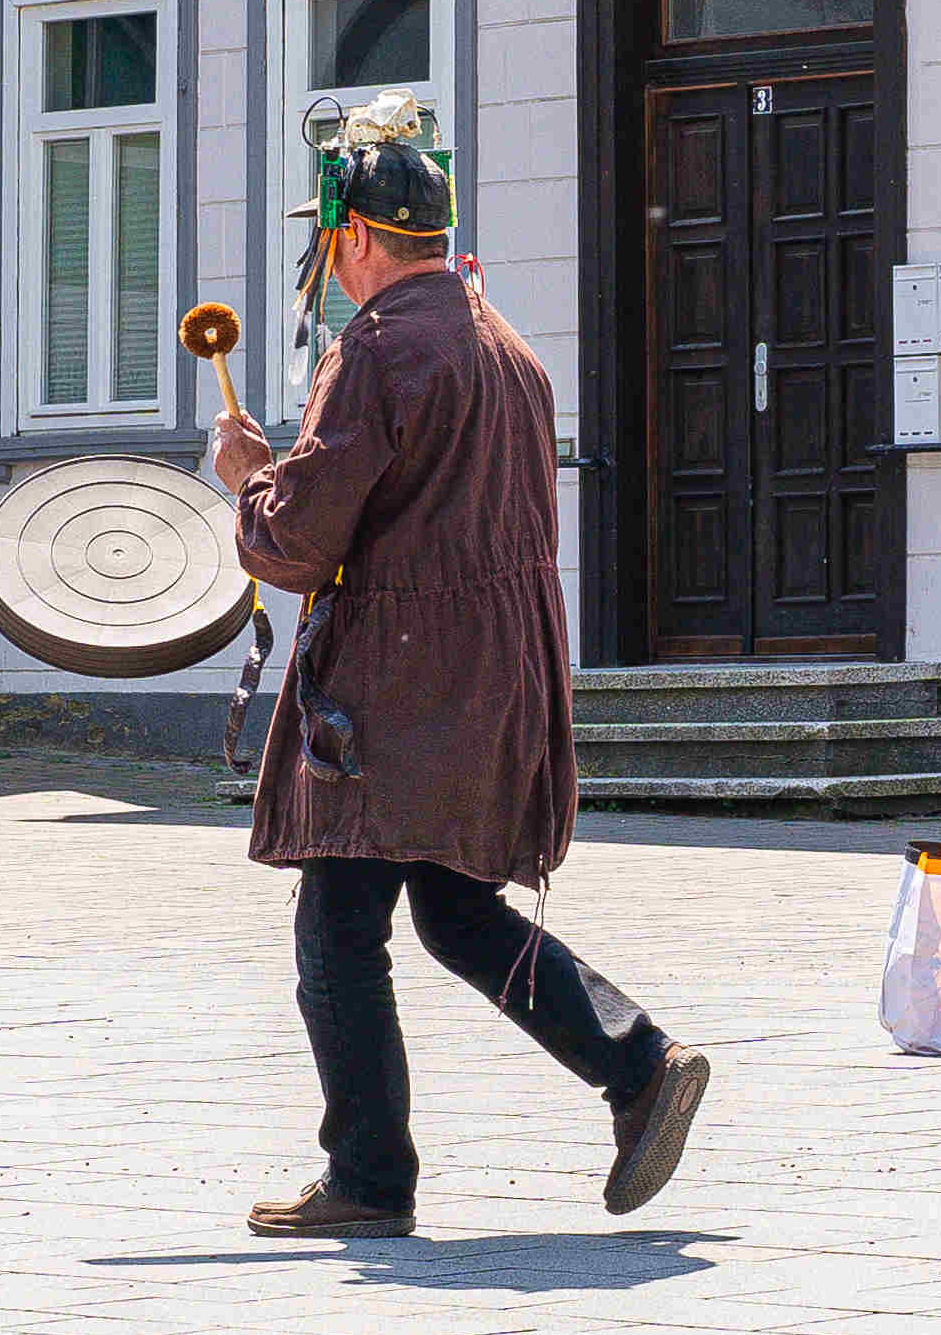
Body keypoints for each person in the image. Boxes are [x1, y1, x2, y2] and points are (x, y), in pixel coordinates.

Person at [211, 94, 709, 1239]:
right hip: (497, 673)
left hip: (398, 682)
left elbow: (301, 541)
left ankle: (369, 1178)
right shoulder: (503, 343)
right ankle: (640, 1065)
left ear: (354, 235)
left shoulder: (378, 349)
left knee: (338, 924)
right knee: (453, 905)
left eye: (330, 240)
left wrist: (249, 478)